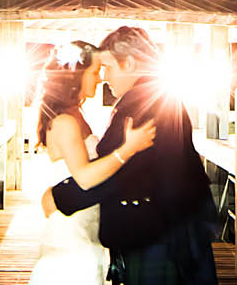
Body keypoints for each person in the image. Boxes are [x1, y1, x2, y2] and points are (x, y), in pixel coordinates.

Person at [46, 27, 217, 285]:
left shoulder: (142, 105)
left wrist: (61, 197)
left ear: (131, 63)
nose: (104, 76)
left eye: (108, 67)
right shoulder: (155, 98)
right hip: (174, 226)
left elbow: (121, 170)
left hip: (159, 234)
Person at [28, 41, 157, 285]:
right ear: (75, 74)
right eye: (95, 72)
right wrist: (128, 149)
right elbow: (84, 178)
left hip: (87, 222)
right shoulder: (65, 122)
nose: (100, 80)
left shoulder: (76, 115)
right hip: (71, 227)